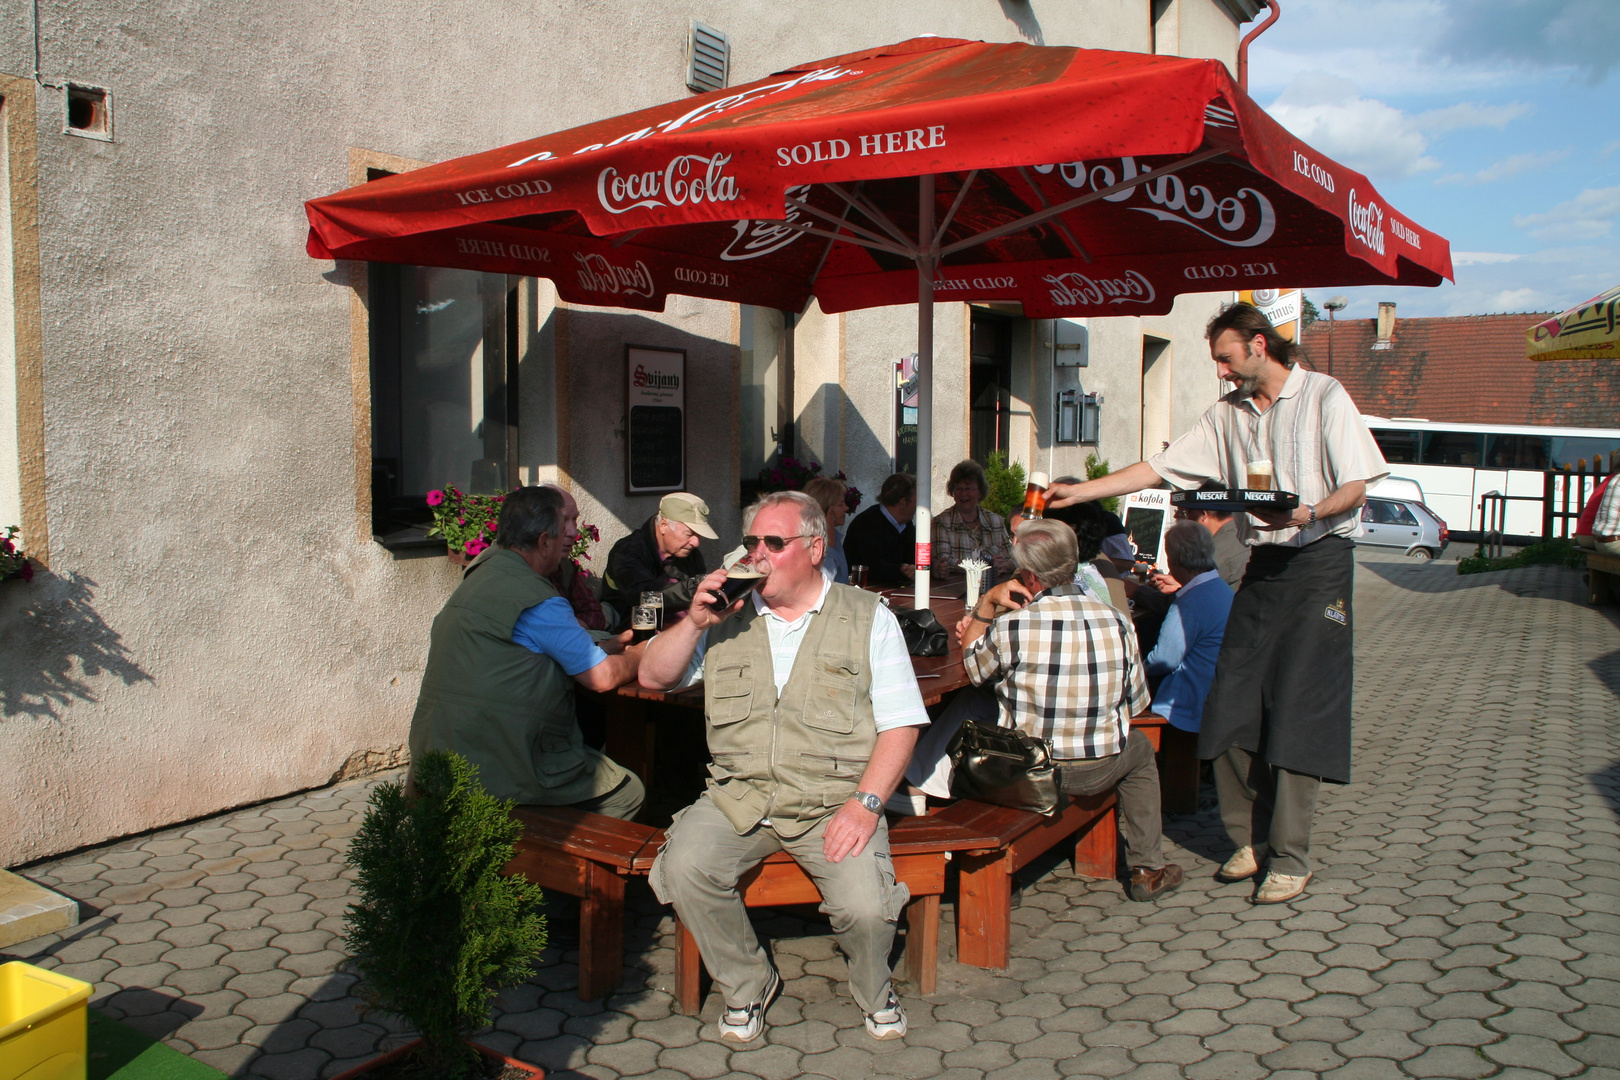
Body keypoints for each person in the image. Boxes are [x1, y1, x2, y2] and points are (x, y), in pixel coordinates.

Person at [1044, 302, 1388, 905]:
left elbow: (1357, 483)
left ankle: (1290, 854)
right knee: (1229, 697)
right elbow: (1157, 469)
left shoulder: (1325, 396)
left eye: (1226, 359)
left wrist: (1308, 511)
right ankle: (1248, 839)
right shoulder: (1225, 416)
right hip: (1265, 565)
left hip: (1321, 562)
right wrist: (1080, 493)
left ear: (1259, 344)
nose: (1222, 372)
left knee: (1300, 707)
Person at [639, 491, 929, 1044]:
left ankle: (874, 988)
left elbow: (902, 725)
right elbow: (654, 676)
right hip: (740, 795)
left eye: (775, 543)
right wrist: (695, 622)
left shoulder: (867, 618)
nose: (758, 556)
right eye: (751, 543)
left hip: (831, 799)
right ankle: (748, 983)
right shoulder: (727, 616)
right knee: (682, 868)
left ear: (815, 548)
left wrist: (866, 805)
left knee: (867, 908)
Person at [954, 518, 1182, 902]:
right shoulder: (1119, 621)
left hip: (1030, 770)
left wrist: (987, 604)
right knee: (1140, 749)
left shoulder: (1015, 627)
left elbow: (974, 669)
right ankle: (1147, 867)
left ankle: (997, 874)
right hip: (1101, 764)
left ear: (1027, 575)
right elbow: (1137, 704)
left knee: (971, 731)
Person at [409, 486, 648, 820]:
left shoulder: (478, 578)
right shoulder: (536, 596)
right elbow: (602, 678)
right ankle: (558, 865)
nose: (572, 533)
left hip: (436, 754)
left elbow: (523, 643)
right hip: (492, 769)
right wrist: (640, 654)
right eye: (565, 524)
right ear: (543, 542)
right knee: (627, 792)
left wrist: (598, 644)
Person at [1145, 522, 1235, 735]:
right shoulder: (1222, 589)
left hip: (1185, 705)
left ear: (1173, 560)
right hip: (1215, 695)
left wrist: (1134, 671)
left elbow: (1163, 660)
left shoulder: (1190, 603)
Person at [605, 492, 715, 618]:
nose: (696, 542)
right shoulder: (627, 551)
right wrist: (695, 588)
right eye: (689, 534)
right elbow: (643, 597)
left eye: (698, 534)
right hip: (631, 631)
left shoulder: (690, 554)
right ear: (663, 525)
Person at [932, 460, 1014, 579]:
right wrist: (983, 565)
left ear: (980, 492)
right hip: (956, 590)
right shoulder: (941, 522)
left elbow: (1014, 558)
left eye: (969, 488)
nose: (963, 494)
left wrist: (1005, 566)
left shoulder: (995, 521)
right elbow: (945, 560)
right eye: (959, 489)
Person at [843, 473, 917, 586]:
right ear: (903, 503)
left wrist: (932, 567)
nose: (918, 507)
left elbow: (913, 558)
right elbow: (873, 568)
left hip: (899, 591)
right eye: (915, 501)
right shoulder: (866, 523)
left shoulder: (906, 524)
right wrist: (902, 570)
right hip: (867, 596)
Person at [802, 475, 851, 584]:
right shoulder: (811, 542)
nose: (846, 508)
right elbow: (824, 583)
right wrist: (830, 545)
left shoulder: (835, 537)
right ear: (826, 509)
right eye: (840, 504)